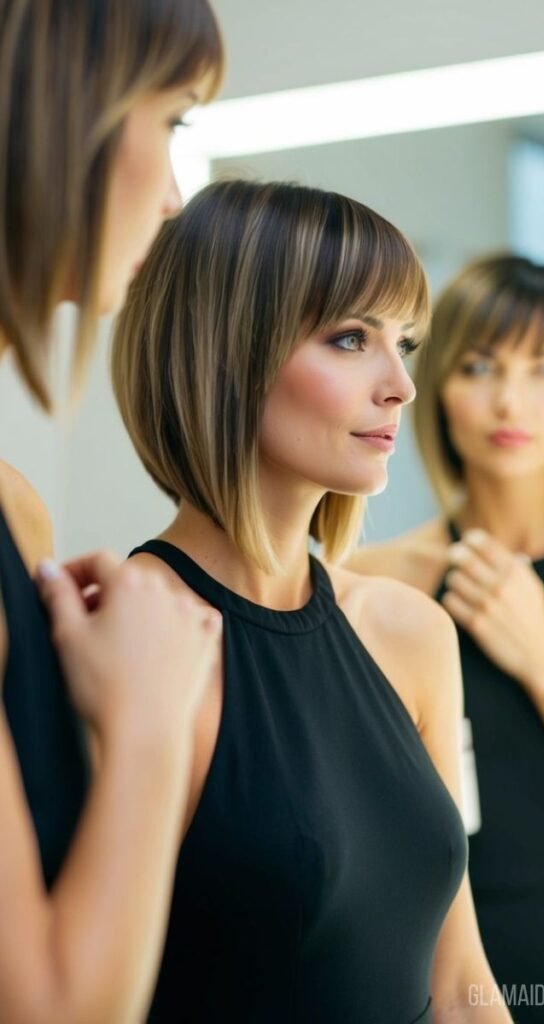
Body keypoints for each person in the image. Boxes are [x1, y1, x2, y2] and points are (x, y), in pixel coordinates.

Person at [111, 178, 514, 1024]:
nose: (400, 385)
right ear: (226, 352)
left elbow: (461, 981)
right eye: (349, 338)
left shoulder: (411, 633)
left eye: (402, 340)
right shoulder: (120, 637)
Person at [347, 253, 544, 1022]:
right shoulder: (373, 578)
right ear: (437, 386)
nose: (510, 401)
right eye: (480, 367)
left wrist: (541, 655)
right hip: (417, 965)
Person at [0, 4, 226, 1022]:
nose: (178, 199)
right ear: (60, 108)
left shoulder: (19, 510)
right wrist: (148, 717)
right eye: (174, 121)